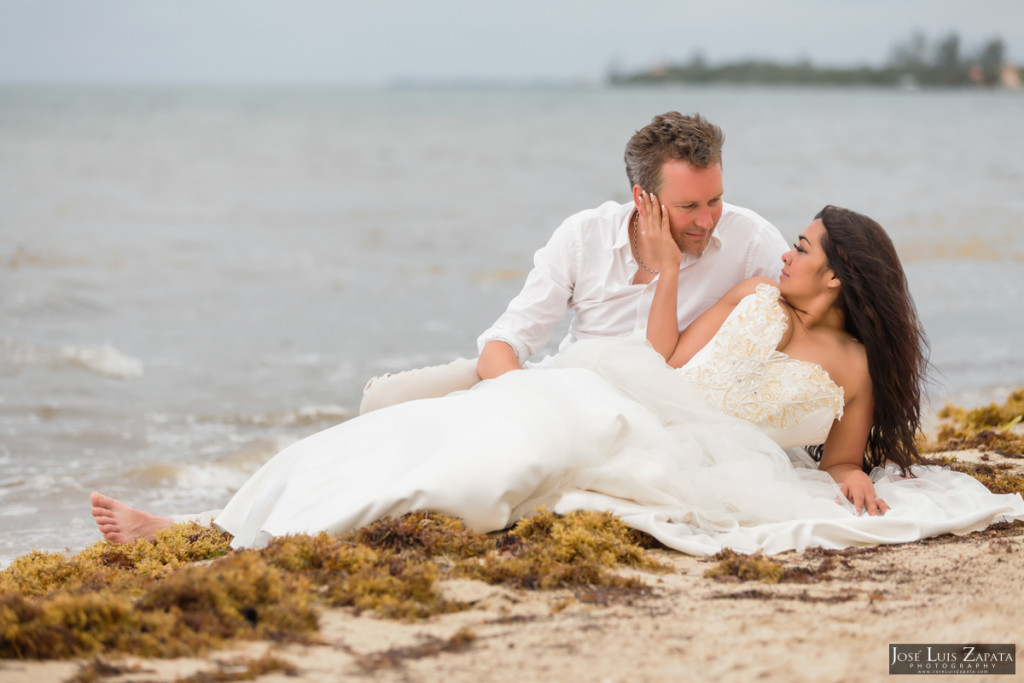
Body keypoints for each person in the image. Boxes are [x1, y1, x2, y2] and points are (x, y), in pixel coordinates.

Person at [92, 205, 1024, 555]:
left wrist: (851, 475)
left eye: (806, 248)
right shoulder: (751, 292)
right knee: (431, 427)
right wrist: (663, 275)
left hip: (685, 451)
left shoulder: (854, 366)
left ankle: (243, 535)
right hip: (621, 390)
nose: (786, 251)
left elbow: (844, 463)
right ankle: (214, 521)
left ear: (840, 276)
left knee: (482, 466)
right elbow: (666, 358)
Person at [357, 111, 788, 413]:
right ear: (642, 198)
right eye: (689, 204)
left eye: (715, 199)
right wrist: (532, 405)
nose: (707, 219)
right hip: (559, 388)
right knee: (380, 404)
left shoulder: (750, 240)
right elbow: (503, 346)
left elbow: (817, 323)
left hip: (658, 411)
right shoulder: (585, 236)